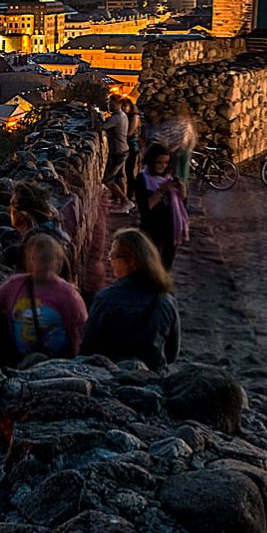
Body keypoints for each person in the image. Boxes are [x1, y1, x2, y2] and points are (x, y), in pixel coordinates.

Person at [0, 229, 86, 363]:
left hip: (58, 363)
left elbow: (80, 328)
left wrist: (78, 359)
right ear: (29, 260)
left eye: (47, 259)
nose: (42, 264)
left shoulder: (68, 294)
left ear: (57, 262)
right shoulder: (15, 285)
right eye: (37, 258)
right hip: (22, 358)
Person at [83, 227, 179, 367]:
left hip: (109, 374)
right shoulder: (165, 301)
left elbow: (88, 347)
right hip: (150, 377)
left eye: (114, 256)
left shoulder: (106, 298)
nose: (110, 261)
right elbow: (171, 354)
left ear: (132, 261)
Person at [132, 141, 191, 270]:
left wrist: (182, 191)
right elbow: (145, 208)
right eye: (159, 162)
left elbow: (182, 205)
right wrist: (162, 190)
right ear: (151, 161)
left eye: (165, 162)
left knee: (166, 265)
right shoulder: (143, 179)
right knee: (150, 265)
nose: (162, 166)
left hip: (170, 229)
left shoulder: (168, 178)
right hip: (152, 229)